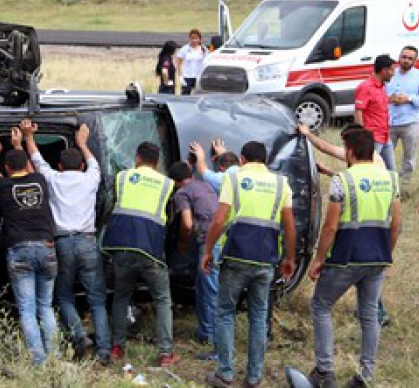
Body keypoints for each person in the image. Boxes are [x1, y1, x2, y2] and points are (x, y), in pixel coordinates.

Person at [307, 128, 401, 388]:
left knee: (321, 306)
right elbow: (396, 225)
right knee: (369, 315)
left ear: (349, 151)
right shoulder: (391, 179)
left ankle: (325, 372)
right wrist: (386, 253)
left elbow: (330, 227)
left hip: (346, 258)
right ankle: (366, 376)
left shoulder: (342, 180)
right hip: (378, 258)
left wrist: (318, 259)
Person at [201, 141, 296, 388]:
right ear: (265, 161)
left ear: (242, 160)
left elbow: (219, 220)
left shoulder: (233, 180)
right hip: (266, 260)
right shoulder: (281, 183)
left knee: (224, 313)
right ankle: (254, 377)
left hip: (236, 257)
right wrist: (290, 258)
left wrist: (208, 251)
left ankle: (225, 373)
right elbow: (289, 226)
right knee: (258, 316)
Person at [18, 119, 111, 363]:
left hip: (61, 244)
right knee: (97, 299)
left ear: (59, 165)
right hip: (88, 242)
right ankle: (103, 351)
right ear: (81, 166)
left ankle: (79, 335)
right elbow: (94, 163)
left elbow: (37, 159)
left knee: (64, 294)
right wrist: (83, 142)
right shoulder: (91, 178)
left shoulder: (53, 179)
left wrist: (28, 137)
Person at [102, 142, 179, 367]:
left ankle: (117, 346)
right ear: (157, 162)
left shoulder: (123, 177)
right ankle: (165, 353)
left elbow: (113, 205)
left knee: (121, 297)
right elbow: (170, 218)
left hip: (123, 248)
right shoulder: (167, 184)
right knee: (163, 300)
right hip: (150, 251)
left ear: (137, 158)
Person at [0, 130, 59, 366]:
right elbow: (29, 167)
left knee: (27, 309)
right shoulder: (39, 180)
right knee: (45, 307)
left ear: (8, 168)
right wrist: (19, 144)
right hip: (47, 247)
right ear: (27, 165)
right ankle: (55, 357)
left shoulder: (3, 186)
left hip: (19, 250)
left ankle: (39, 360)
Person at [168, 161, 219, 348]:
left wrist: (182, 244)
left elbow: (187, 224)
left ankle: (213, 338)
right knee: (203, 286)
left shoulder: (182, 193)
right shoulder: (206, 185)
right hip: (220, 238)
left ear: (174, 181)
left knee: (210, 288)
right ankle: (205, 331)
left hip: (209, 242)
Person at [386, 46, 419, 182]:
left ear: (415, 61)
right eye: (404, 57)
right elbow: (379, 92)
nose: (406, 60)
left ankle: (404, 183)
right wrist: (390, 98)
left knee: (409, 157)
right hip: (389, 122)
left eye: (410, 58)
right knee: (385, 154)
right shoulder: (390, 74)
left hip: (411, 123)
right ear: (399, 57)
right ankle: (388, 182)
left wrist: (409, 98)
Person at [354, 54, 397, 171]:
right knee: (369, 169)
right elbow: (359, 111)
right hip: (372, 138)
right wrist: (362, 137)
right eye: (392, 70)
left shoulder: (382, 87)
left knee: (392, 171)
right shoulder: (365, 87)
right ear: (384, 70)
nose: (394, 74)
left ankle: (395, 189)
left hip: (385, 136)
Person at [297, 123, 385, 177]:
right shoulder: (367, 154)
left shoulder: (361, 157)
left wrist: (307, 134)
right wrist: (327, 171)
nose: (344, 148)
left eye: (345, 144)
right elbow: (352, 182)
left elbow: (325, 147)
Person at [176, 29, 207, 95]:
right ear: (189, 39)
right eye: (192, 38)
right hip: (187, 76)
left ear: (200, 39)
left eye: (196, 38)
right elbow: (178, 62)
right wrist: (180, 76)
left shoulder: (203, 49)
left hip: (199, 77)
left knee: (199, 95)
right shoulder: (185, 49)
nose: (194, 40)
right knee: (185, 95)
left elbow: (206, 62)